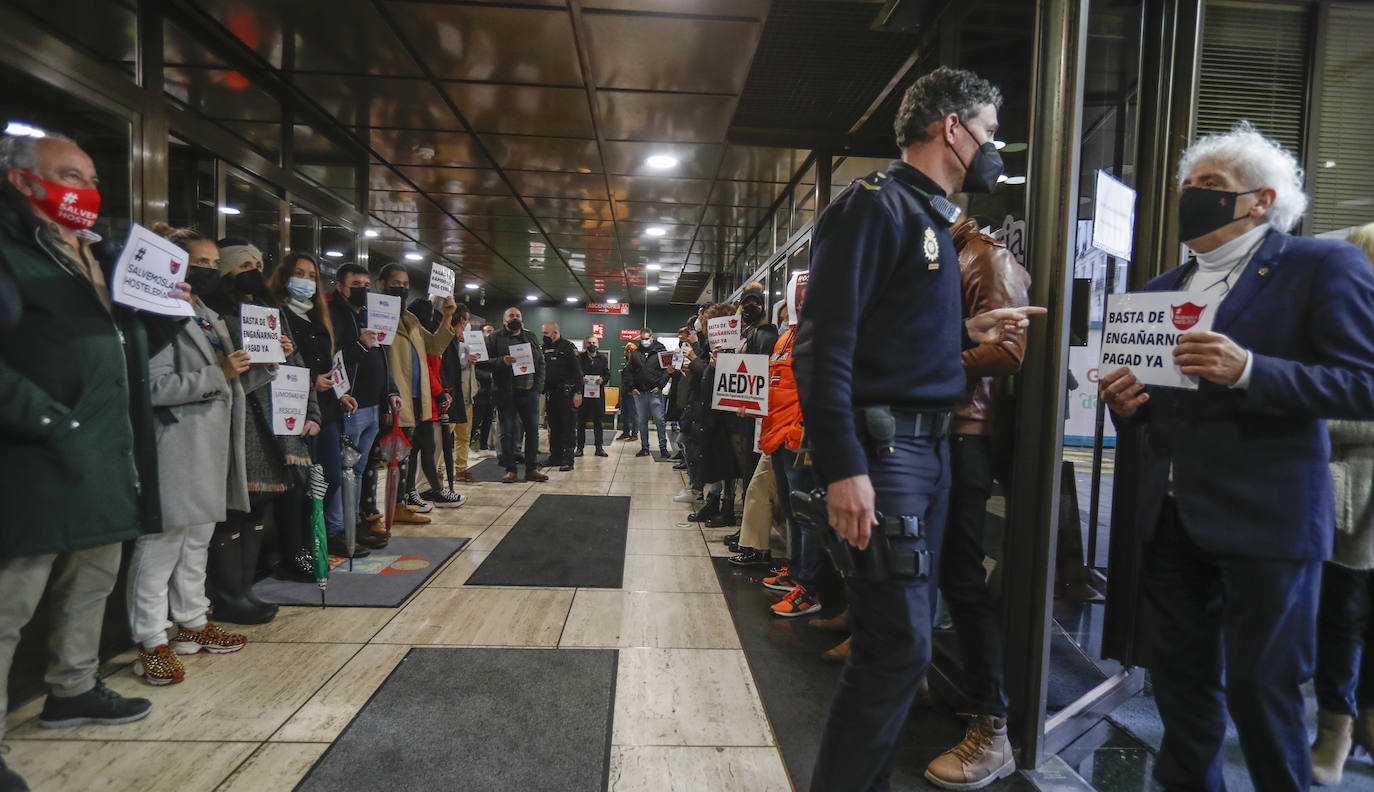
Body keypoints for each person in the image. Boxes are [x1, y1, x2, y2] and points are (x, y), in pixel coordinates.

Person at [1099, 123, 1374, 792]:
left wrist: (1253, 371)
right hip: (1170, 519)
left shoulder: (1321, 267)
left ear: (1261, 200)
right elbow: (1151, 410)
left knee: (1263, 692)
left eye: (1213, 187)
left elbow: (1365, 383)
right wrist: (1126, 402)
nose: (1193, 196)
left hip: (1269, 517)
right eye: (1189, 186)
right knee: (1182, 691)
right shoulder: (1163, 287)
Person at [794, 66, 1042, 791]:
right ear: (953, 127)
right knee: (897, 647)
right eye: (991, 132)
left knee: (894, 645)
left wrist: (963, 327)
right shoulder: (876, 206)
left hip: (927, 451)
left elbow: (885, 337)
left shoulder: (928, 219)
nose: (994, 148)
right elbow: (824, 344)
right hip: (889, 452)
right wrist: (844, 466)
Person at [0, 134, 187, 787]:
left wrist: (164, 315)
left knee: (91, 584)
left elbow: (124, 343)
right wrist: (48, 418)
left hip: (106, 456)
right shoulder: (12, 251)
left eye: (90, 177)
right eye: (67, 175)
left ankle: (72, 689)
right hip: (36, 459)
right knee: (9, 604)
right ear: (23, 181)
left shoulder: (99, 257)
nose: (84, 188)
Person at [126, 226, 248, 686]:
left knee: (196, 540)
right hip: (175, 444)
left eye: (216, 265)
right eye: (202, 263)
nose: (210, 271)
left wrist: (262, 367)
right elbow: (151, 387)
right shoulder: (156, 316)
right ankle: (149, 639)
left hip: (210, 445)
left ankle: (192, 622)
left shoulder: (206, 314)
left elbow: (228, 383)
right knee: (161, 545)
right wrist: (218, 373)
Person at [205, 238, 320, 624]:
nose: (253, 271)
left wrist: (310, 410)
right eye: (243, 266)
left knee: (260, 509)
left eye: (258, 263)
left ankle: (245, 586)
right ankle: (227, 593)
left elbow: (297, 365)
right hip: (242, 423)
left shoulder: (269, 311)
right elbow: (235, 377)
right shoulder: (217, 317)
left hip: (278, 423)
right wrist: (267, 364)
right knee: (234, 512)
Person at [1310, 221, 1374, 784]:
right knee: (1343, 615)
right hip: (1353, 500)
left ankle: (1361, 722)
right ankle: (1337, 725)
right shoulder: (1336, 325)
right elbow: (1321, 408)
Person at [268, 251, 354, 576]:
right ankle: (295, 553)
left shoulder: (319, 317)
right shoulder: (276, 314)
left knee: (327, 479)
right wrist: (309, 382)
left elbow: (328, 364)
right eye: (299, 273)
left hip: (325, 409)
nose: (305, 280)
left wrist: (339, 392)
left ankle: (310, 542)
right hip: (291, 408)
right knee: (298, 485)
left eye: (311, 275)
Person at [326, 262, 402, 552]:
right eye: (355, 285)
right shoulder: (334, 316)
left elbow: (382, 358)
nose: (362, 289)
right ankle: (337, 529)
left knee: (357, 472)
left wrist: (390, 391)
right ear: (340, 287)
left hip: (372, 405)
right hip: (350, 404)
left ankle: (353, 525)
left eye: (365, 285)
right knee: (343, 470)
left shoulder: (371, 315)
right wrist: (359, 346)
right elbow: (331, 360)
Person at [376, 264, 459, 512]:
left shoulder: (410, 318)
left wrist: (447, 316)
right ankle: (396, 505)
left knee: (408, 453)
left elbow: (434, 346)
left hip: (416, 396)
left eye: (405, 284)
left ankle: (404, 503)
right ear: (381, 284)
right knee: (396, 456)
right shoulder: (377, 313)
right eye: (395, 283)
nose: (401, 288)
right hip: (394, 395)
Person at [479, 306, 548, 484]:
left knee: (532, 431)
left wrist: (538, 387)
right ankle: (511, 470)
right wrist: (501, 361)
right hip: (505, 393)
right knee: (507, 432)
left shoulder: (530, 336)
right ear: (504, 320)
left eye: (517, 315)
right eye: (511, 315)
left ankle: (532, 469)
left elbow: (540, 362)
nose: (515, 318)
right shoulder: (494, 338)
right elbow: (481, 362)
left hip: (530, 392)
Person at [435, 303, 480, 490]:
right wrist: (464, 361)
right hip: (452, 393)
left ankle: (461, 469)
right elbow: (446, 366)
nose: (466, 323)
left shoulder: (465, 338)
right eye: (465, 320)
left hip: (467, 393)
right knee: (447, 434)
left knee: (464, 434)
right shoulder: (446, 338)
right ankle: (437, 472)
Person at [541, 321, 582, 472]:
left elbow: (578, 372)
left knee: (568, 427)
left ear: (555, 332)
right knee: (554, 427)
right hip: (551, 394)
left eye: (546, 333)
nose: (543, 336)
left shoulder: (568, 347)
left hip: (567, 394)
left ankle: (568, 460)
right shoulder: (544, 348)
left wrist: (578, 392)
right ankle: (555, 457)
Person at [629, 328, 670, 458]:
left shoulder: (661, 351)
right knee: (642, 421)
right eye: (642, 339)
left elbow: (668, 370)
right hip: (639, 393)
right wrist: (632, 387)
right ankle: (644, 448)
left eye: (646, 338)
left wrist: (660, 386)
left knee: (659, 420)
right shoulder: (636, 353)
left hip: (655, 393)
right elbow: (629, 371)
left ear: (652, 337)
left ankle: (663, 448)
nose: (644, 341)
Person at [577, 335, 610, 458]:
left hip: (598, 395)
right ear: (586, 344)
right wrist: (580, 379)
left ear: (598, 345)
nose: (592, 345)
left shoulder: (602, 358)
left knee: (598, 423)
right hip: (583, 394)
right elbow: (575, 373)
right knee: (581, 422)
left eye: (594, 343)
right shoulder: (579, 358)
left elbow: (607, 374)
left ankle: (599, 448)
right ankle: (579, 448)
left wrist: (603, 379)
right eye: (590, 343)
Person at [617, 343, 638, 442]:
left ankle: (634, 434)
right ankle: (626, 432)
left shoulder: (636, 362)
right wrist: (623, 372)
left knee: (633, 414)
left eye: (626, 351)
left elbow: (636, 377)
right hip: (625, 391)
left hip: (631, 392)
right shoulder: (628, 362)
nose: (625, 353)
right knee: (625, 413)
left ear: (629, 351)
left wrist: (632, 388)